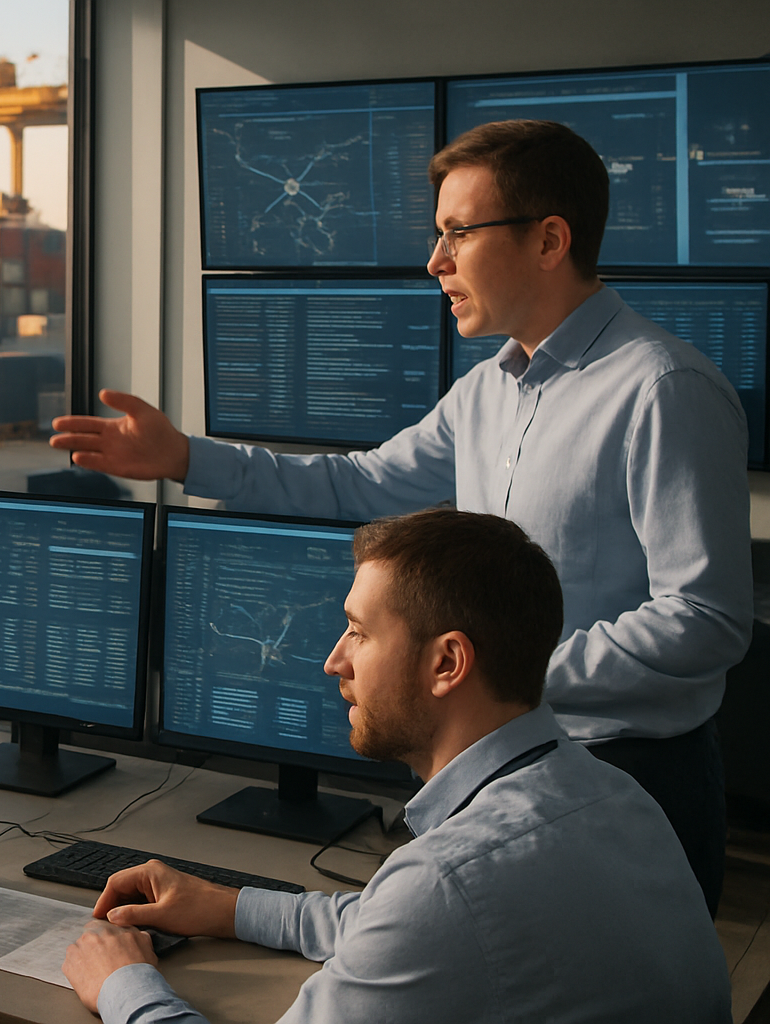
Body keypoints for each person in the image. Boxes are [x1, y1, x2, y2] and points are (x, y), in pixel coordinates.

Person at [50, 119, 752, 912]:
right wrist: (186, 459)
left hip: (630, 773)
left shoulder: (662, 389)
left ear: (550, 240)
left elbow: (705, 618)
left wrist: (503, 677)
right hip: (502, 764)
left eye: (459, 233)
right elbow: (358, 485)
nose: (436, 261)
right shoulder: (489, 390)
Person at [61, 508, 731, 1024]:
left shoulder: (447, 882)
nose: (334, 661)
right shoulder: (619, 798)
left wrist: (124, 982)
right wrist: (231, 907)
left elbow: (427, 912)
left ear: (446, 663)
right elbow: (399, 921)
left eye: (358, 631)